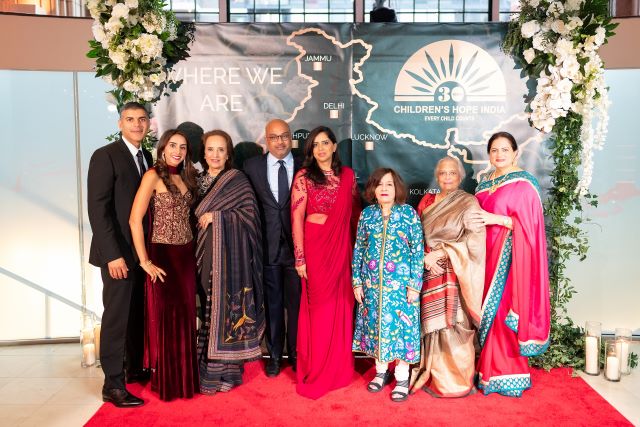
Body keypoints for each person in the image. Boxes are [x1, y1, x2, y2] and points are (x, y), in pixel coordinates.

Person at [469, 131, 550, 397]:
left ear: (516, 153)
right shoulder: (483, 183)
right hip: (483, 258)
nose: (499, 154)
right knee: (485, 314)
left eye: (505, 149)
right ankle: (487, 371)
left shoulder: (524, 184)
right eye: (494, 150)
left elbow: (530, 228)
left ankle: (507, 374)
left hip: (511, 261)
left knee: (503, 313)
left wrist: (497, 220)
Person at [87, 101, 152, 408]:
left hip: (138, 253)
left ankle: (133, 368)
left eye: (141, 119)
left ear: (149, 123)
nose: (137, 124)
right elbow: (98, 210)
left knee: (135, 313)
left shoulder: (146, 156)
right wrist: (113, 255)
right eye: (130, 119)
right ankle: (112, 384)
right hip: (116, 254)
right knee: (116, 318)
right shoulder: (105, 156)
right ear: (120, 124)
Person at [128, 129, 200, 401]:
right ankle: (170, 381)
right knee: (169, 319)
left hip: (186, 254)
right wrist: (144, 260)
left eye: (182, 147)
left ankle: (186, 379)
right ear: (162, 148)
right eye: (173, 145)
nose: (177, 151)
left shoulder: (185, 177)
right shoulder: (152, 176)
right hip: (163, 255)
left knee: (185, 317)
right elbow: (135, 220)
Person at [291, 125, 361, 399]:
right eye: (315, 145)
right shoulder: (304, 176)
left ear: (334, 146)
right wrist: (300, 257)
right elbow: (296, 217)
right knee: (319, 310)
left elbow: (355, 216)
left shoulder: (348, 176)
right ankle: (318, 367)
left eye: (325, 143)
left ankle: (339, 369)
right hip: (316, 251)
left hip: (342, 250)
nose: (320, 148)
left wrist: (358, 255)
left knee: (341, 307)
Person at [195, 130, 265, 394]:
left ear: (228, 154)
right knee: (210, 312)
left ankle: (228, 373)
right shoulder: (196, 181)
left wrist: (219, 217)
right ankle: (207, 370)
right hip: (203, 256)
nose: (215, 155)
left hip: (231, 259)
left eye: (220, 150)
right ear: (203, 153)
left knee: (229, 311)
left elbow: (251, 216)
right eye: (210, 150)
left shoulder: (237, 180)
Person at [410, 156, 485, 398]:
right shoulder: (428, 201)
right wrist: (424, 257)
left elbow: (475, 239)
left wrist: (443, 253)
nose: (448, 177)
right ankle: (432, 372)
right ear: (437, 176)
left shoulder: (468, 201)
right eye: (443, 173)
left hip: (454, 271)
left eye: (453, 172)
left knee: (453, 322)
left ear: (460, 176)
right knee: (431, 324)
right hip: (428, 269)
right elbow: (415, 233)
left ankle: (455, 378)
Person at [352, 168, 424, 402]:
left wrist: (414, 284)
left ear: (397, 189)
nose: (384, 189)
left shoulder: (408, 214)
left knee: (401, 332)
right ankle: (381, 372)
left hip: (401, 289)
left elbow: (417, 251)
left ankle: (402, 376)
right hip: (372, 287)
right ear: (373, 188)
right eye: (380, 184)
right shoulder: (367, 215)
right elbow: (359, 249)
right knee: (375, 328)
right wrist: (357, 282)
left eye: (389, 185)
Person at [244, 119, 302, 377]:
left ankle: (297, 354)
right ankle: (275, 356)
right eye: (274, 137)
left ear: (290, 138)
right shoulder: (251, 167)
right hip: (266, 249)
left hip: (298, 250)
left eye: (284, 136)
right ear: (265, 140)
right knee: (273, 306)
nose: (280, 142)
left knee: (298, 306)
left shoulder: (304, 165)